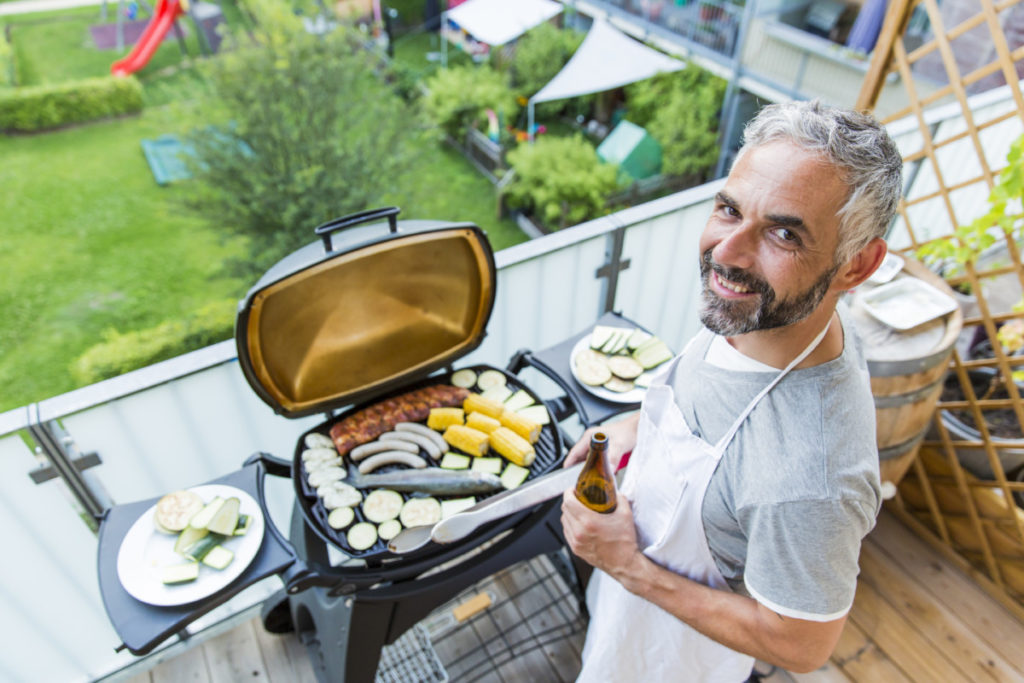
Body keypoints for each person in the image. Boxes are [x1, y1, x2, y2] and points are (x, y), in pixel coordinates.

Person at [560, 100, 903, 682]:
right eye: (728, 208)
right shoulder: (762, 312)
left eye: (784, 233)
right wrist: (639, 426)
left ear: (856, 265)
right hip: (626, 607)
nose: (725, 253)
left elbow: (801, 646)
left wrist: (627, 566)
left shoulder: (812, 478)